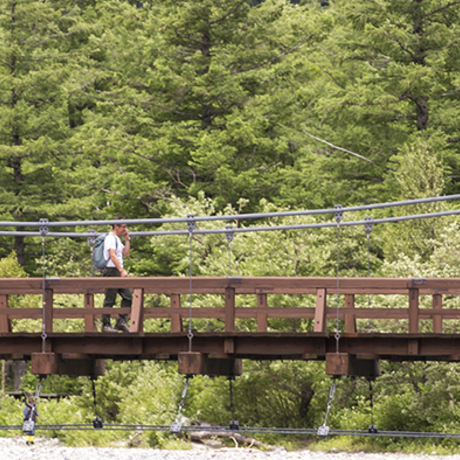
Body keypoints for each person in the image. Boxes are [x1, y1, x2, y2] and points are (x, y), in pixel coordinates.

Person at [101, 217, 132, 333]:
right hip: (111, 270)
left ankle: (121, 321)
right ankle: (106, 324)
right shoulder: (110, 238)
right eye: (123, 227)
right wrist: (121, 270)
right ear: (116, 226)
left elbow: (126, 253)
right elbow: (112, 255)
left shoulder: (117, 239)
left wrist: (127, 240)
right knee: (110, 298)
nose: (125, 229)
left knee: (128, 295)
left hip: (117, 270)